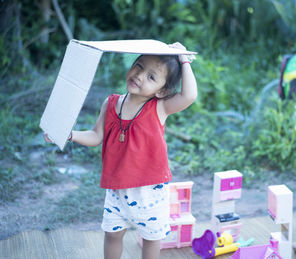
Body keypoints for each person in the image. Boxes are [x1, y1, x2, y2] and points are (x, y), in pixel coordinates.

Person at [44, 42, 197, 259]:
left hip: (149, 190)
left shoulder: (159, 107)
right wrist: (69, 134)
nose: (140, 76)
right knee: (112, 235)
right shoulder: (111, 102)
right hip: (117, 188)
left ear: (162, 91)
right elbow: (97, 136)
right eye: (139, 66)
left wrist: (184, 58)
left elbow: (189, 96)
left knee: (151, 239)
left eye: (151, 77)